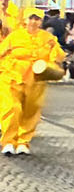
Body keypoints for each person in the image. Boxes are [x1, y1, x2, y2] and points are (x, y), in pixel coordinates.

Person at [0, 13, 66, 156]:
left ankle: (23, 142)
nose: (33, 22)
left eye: (37, 19)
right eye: (31, 18)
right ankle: (8, 141)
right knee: (12, 108)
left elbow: (59, 57)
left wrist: (54, 48)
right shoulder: (14, 36)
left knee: (31, 110)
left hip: (36, 79)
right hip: (12, 76)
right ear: (25, 20)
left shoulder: (48, 38)